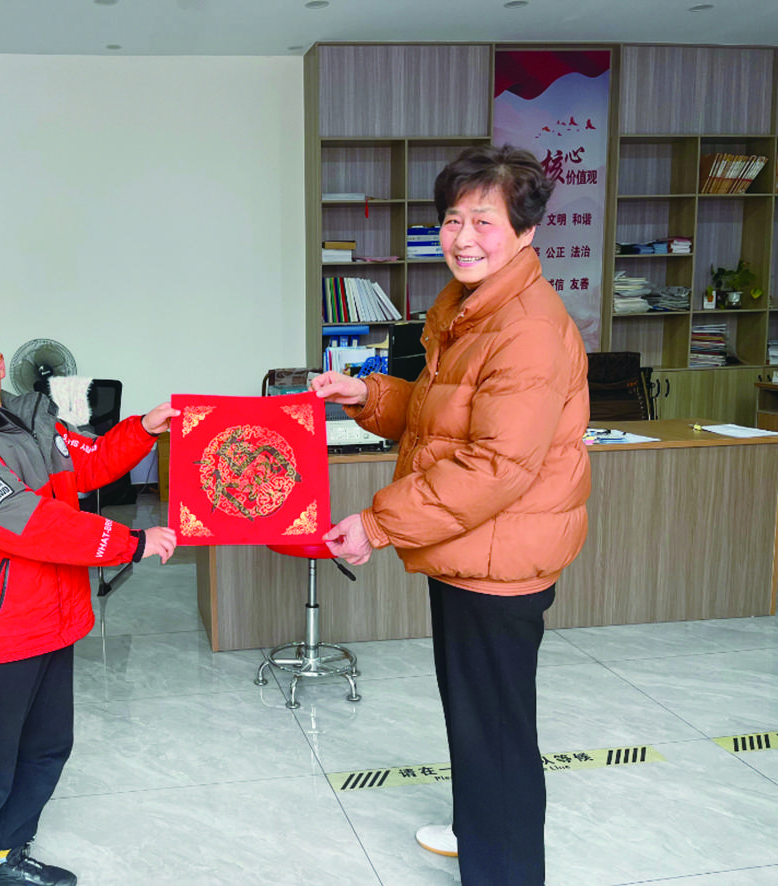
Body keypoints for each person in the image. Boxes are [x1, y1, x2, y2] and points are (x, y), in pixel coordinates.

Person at [312, 143, 591, 886]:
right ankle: (476, 832)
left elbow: (493, 466)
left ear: (525, 230)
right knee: (473, 717)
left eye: (484, 221)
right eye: (452, 219)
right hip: (467, 547)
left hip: (497, 557)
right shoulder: (471, 305)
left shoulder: (526, 328)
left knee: (495, 730)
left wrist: (377, 524)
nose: (463, 237)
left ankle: (504, 870)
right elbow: (444, 417)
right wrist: (367, 394)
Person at [0, 310, 178, 886]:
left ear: (0, 363)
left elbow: (90, 463)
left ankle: (2, 858)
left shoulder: (31, 419)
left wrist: (145, 428)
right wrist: (130, 542)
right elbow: (36, 524)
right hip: (0, 628)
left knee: (46, 749)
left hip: (56, 616)